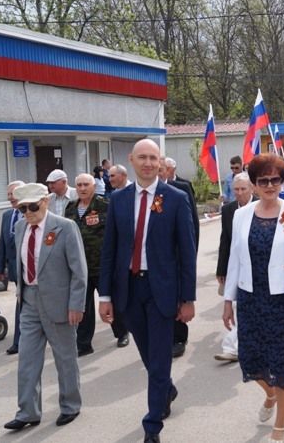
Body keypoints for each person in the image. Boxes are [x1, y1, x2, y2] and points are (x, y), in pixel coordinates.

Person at [98, 139, 197, 443]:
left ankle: (152, 425)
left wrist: (188, 298)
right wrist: (105, 296)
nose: (148, 163)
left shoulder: (176, 198)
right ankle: (166, 389)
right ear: (131, 160)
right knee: (148, 356)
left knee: (160, 359)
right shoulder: (118, 200)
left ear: (160, 162)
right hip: (128, 289)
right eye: (142, 157)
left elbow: (187, 251)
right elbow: (110, 249)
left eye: (153, 158)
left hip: (162, 291)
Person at [222, 153, 284, 443]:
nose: (270, 185)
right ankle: (270, 395)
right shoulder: (241, 215)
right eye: (264, 180)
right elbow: (235, 259)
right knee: (251, 360)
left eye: (276, 179)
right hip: (251, 299)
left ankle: (280, 427)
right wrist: (228, 300)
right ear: (254, 184)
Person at [4, 183, 88, 431]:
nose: (28, 213)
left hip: (59, 303)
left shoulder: (65, 227)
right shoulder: (20, 227)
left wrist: (76, 305)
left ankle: (70, 405)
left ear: (46, 201)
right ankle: (27, 411)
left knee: (65, 358)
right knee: (27, 359)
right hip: (29, 301)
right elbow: (20, 265)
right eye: (22, 208)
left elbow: (79, 271)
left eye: (32, 206)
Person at [65, 174, 129, 357]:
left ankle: (122, 332)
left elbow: (118, 234)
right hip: (80, 268)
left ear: (93, 186)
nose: (82, 188)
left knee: (111, 302)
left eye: (86, 185)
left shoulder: (105, 205)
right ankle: (84, 344)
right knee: (83, 305)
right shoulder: (70, 209)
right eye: (79, 185)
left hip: (102, 266)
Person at [159, 157, 200, 358]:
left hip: (176, 255)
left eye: (160, 170)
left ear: (167, 171)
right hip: (155, 261)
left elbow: (193, 223)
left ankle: (179, 338)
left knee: (178, 298)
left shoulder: (180, 189)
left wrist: (192, 252)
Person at [215, 172, 255, 362]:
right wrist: (221, 269)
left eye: (243, 189)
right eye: (235, 189)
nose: (239, 193)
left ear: (251, 189)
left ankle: (241, 345)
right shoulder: (228, 210)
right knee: (238, 306)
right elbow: (225, 240)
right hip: (235, 266)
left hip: (257, 267)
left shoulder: (260, 206)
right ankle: (233, 347)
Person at [0, 180, 25, 355]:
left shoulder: (32, 212)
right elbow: (3, 244)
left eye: (12, 193)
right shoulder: (7, 215)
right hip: (15, 269)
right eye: (8, 194)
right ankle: (19, 342)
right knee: (21, 302)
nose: (10, 197)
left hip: (34, 268)